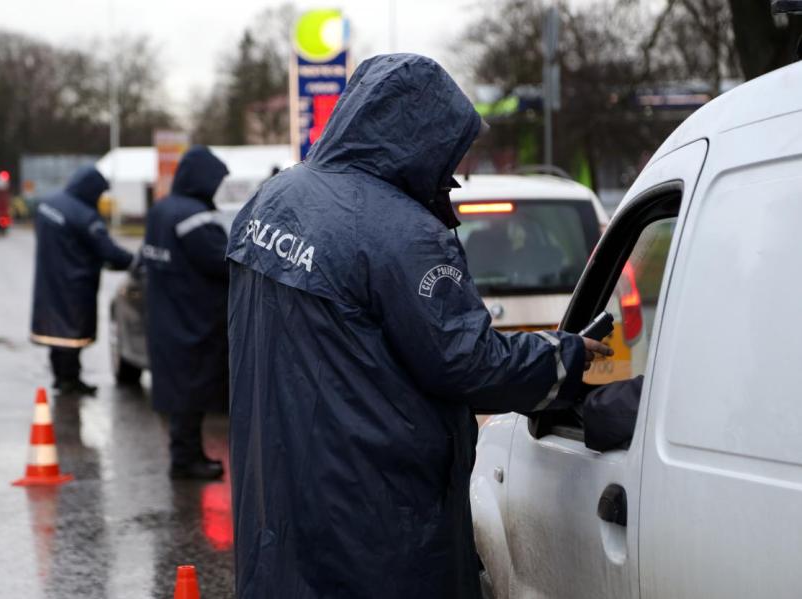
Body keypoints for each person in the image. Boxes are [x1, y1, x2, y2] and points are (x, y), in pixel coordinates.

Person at [226, 53, 611, 598]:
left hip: (277, 500)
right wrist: (565, 357)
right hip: (374, 517)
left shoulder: (273, 201)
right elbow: (469, 363)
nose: (456, 169)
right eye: (452, 149)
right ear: (420, 137)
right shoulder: (403, 234)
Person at [142, 146, 230, 480]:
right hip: (194, 315)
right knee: (191, 391)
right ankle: (186, 460)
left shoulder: (161, 210)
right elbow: (222, 260)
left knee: (181, 389)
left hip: (167, 312)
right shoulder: (193, 217)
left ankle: (186, 455)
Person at [31, 166, 134, 396]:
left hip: (50, 279)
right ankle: (69, 379)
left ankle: (61, 377)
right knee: (71, 333)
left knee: (54, 331)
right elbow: (108, 251)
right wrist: (134, 261)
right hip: (74, 285)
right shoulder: (84, 216)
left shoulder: (47, 204)